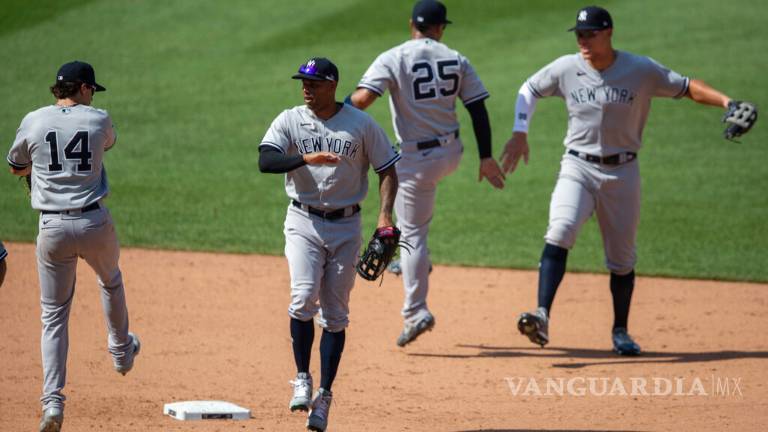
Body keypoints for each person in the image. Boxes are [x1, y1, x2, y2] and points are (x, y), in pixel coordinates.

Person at [501, 6, 751, 355]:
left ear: (608, 33)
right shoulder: (566, 67)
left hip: (623, 173)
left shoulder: (640, 69)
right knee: (560, 230)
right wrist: (520, 131)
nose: (583, 40)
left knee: (622, 259)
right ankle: (542, 314)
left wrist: (727, 101)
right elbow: (528, 89)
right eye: (579, 34)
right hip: (577, 167)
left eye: (590, 34)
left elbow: (686, 87)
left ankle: (620, 330)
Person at [349, 0, 505, 347]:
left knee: (413, 234)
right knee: (412, 224)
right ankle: (413, 262)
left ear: (412, 25)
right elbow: (477, 108)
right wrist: (486, 157)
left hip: (416, 160)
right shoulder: (456, 58)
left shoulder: (394, 57)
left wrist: (334, 112)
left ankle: (416, 311)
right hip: (451, 153)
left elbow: (362, 100)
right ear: (440, 28)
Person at [259, 57, 399, 432]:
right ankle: (302, 377)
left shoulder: (361, 124)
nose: (306, 88)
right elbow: (266, 161)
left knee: (336, 315)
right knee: (303, 297)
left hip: (347, 226)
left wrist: (385, 216)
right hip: (302, 221)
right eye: (303, 82)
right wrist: (305, 157)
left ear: (333, 85)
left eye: (315, 83)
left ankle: (323, 397)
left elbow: (388, 168)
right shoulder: (290, 119)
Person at [7, 60, 140, 432]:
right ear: (82, 88)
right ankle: (121, 352)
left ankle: (52, 403)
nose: (93, 95)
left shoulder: (33, 120)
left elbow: (15, 165)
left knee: (53, 315)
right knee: (110, 280)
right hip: (93, 222)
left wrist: (37, 169)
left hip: (51, 228)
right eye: (91, 89)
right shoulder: (99, 119)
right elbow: (106, 143)